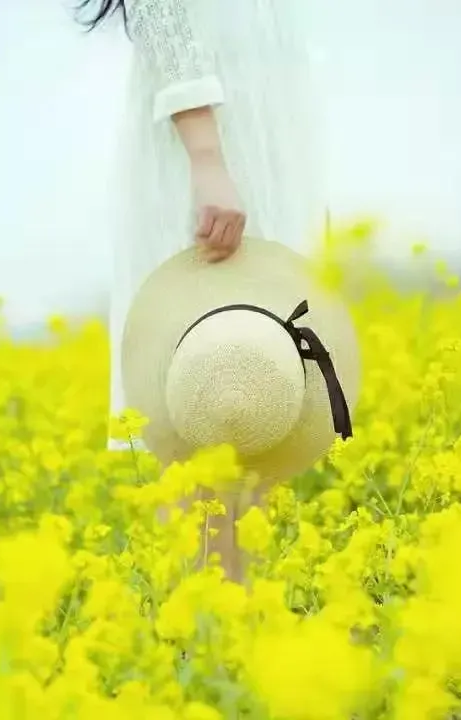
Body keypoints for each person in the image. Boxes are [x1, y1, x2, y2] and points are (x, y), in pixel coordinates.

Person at [76, 0, 327, 583]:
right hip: (201, 157)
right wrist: (207, 160)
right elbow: (160, 12)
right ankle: (206, 619)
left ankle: (247, 619)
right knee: (199, 400)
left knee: (265, 402)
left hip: (264, 148)